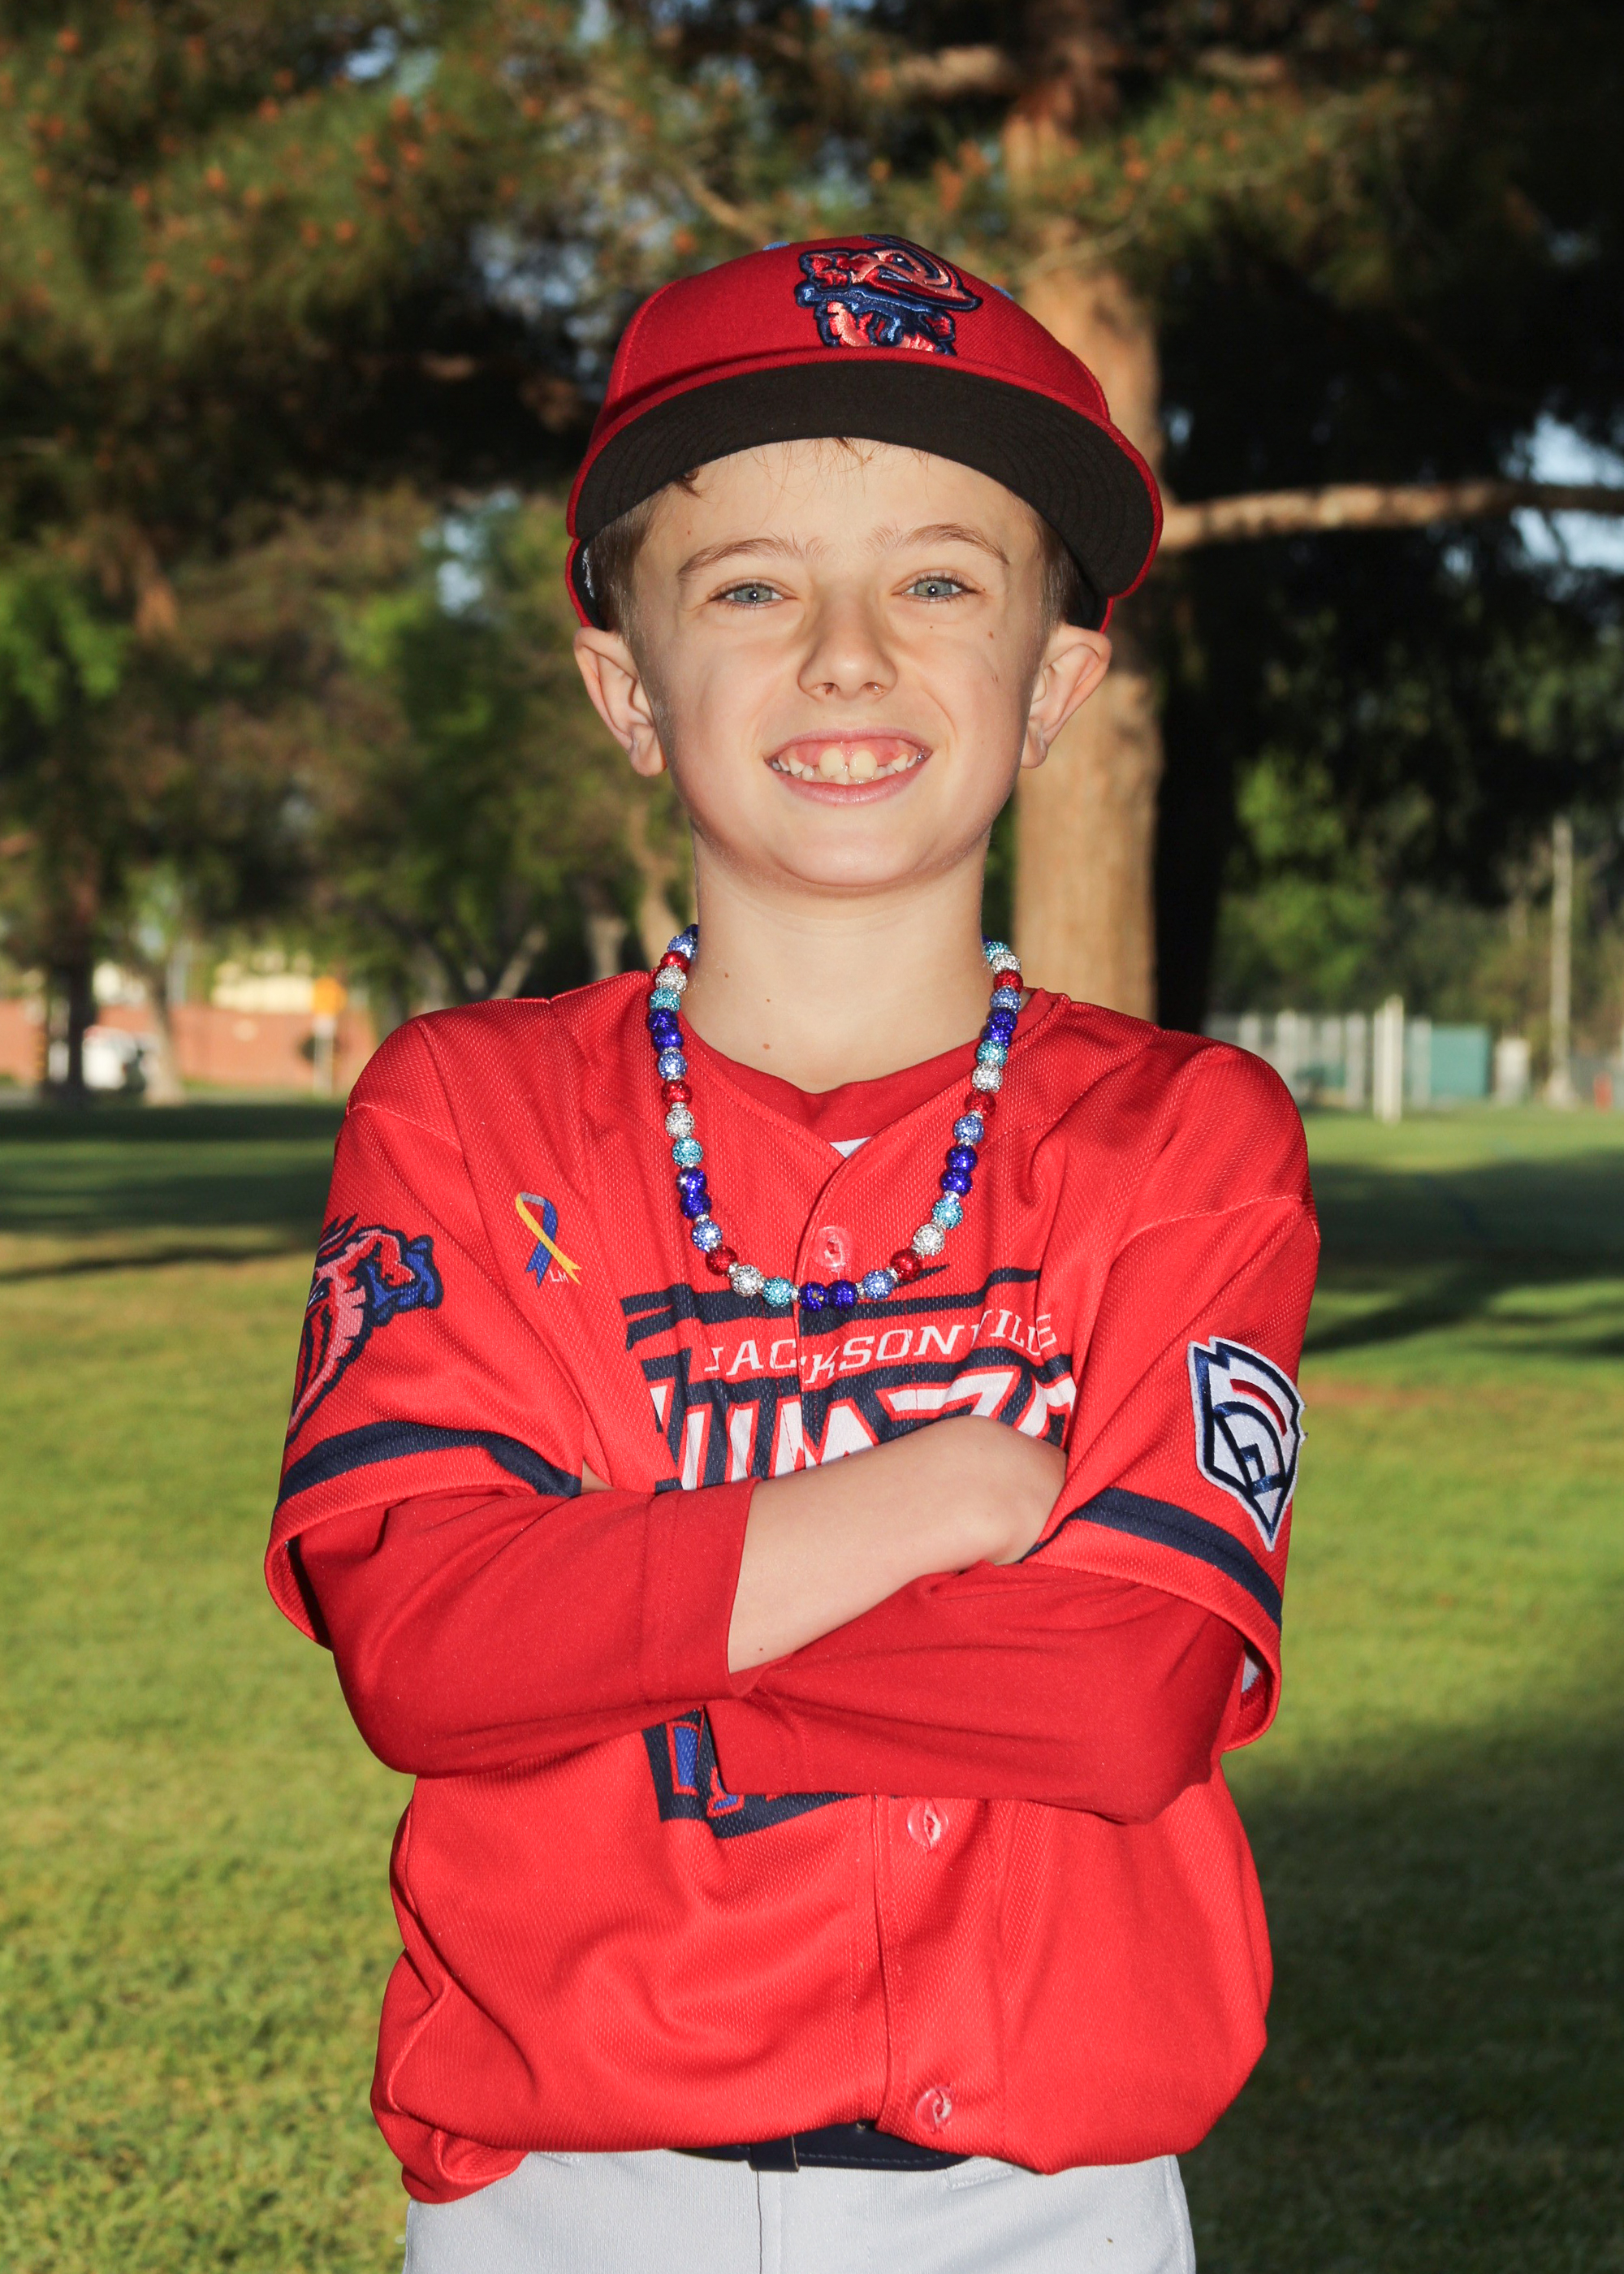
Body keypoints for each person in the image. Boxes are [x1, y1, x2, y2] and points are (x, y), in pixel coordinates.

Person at [266, 235, 1317, 2274]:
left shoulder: (1184, 1133)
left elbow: (1128, 1692)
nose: (847, 654)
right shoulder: (465, 1109)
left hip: (1047, 2213)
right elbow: (423, 1649)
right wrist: (930, 1502)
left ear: (1054, 680)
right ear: (627, 689)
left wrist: (615, 1641)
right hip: (571, 2198)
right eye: (749, 587)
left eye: (939, 582)